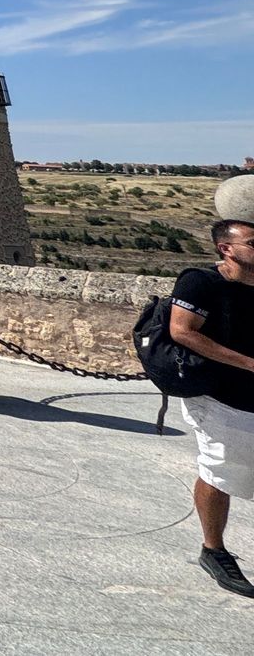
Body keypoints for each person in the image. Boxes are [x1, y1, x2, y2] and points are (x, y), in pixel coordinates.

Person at [169, 218, 254, 597]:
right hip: (217, 395)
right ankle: (213, 549)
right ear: (226, 248)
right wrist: (249, 363)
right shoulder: (200, 282)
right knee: (220, 469)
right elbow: (182, 331)